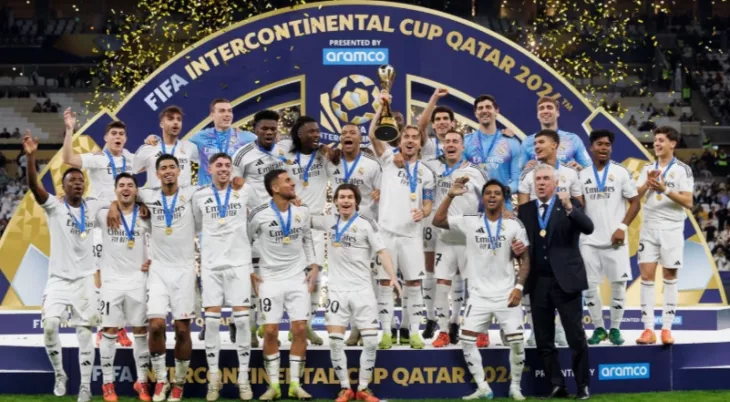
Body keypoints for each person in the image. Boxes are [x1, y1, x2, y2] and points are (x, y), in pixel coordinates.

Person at [107, 154, 201, 402]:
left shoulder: (192, 193)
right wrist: (114, 205)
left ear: (179, 171)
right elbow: (124, 194)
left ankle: (179, 384)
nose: (168, 171)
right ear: (157, 174)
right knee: (156, 325)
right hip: (158, 269)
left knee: (182, 330)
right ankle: (161, 380)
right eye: (163, 168)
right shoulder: (148, 195)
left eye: (172, 167)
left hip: (184, 269)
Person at [433, 178, 530, 401]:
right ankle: (483, 387)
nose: (492, 196)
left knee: (517, 342)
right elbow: (438, 220)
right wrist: (451, 195)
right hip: (478, 295)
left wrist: (518, 287)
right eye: (488, 193)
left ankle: (516, 387)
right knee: (467, 341)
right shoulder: (470, 221)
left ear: (503, 198)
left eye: (497, 193)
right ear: (482, 198)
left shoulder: (514, 224)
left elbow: (525, 259)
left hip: (507, 294)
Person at [24, 130, 101, 402]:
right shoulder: (55, 207)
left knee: (84, 332)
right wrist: (31, 158)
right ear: (63, 187)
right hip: (58, 279)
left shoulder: (94, 207)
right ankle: (60, 374)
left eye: (81, 180)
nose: (78, 183)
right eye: (72, 181)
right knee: (49, 326)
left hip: (85, 280)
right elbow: (35, 188)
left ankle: (85, 387)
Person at [312, 183, 399, 402]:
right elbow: (304, 218)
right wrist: (296, 204)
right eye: (341, 197)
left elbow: (382, 252)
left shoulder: (366, 223)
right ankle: (344, 388)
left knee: (370, 342)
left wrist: (393, 276)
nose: (346, 201)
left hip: (363, 290)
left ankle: (363, 388)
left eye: (350, 197)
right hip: (336, 291)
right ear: (335, 201)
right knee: (335, 341)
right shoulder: (328, 221)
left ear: (356, 201)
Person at [514, 163, 593, 400]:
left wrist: (569, 207)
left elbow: (588, 228)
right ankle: (557, 385)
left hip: (566, 281)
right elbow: (522, 241)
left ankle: (582, 385)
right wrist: (516, 248)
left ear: (556, 183)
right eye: (537, 179)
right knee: (544, 339)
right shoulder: (525, 210)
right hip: (539, 282)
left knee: (575, 336)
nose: (541, 183)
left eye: (546, 179)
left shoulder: (569, 204)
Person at [62, 108, 136, 347]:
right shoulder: (98, 159)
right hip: (98, 224)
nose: (118, 137)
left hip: (123, 225)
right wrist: (69, 130)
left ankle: (119, 327)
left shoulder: (131, 159)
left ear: (125, 138)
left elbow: (154, 163)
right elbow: (68, 159)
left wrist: (153, 141)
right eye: (113, 133)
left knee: (121, 276)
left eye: (121, 134)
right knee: (99, 277)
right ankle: (105, 327)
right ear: (106, 138)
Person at [247, 169, 318, 400]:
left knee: (300, 329)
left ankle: (295, 384)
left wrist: (313, 265)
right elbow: (245, 240)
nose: (293, 183)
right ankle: (274, 386)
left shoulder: (302, 210)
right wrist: (250, 270)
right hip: (270, 278)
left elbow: (307, 238)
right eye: (288, 181)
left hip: (297, 277)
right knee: (270, 331)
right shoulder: (258, 214)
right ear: (275, 188)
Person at [368, 118, 435, 350]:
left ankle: (413, 333)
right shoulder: (388, 158)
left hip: (411, 235)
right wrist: (380, 107)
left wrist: (423, 212)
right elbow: (372, 135)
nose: (410, 140)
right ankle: (386, 333)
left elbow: (428, 203)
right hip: (386, 233)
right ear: (400, 141)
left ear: (420, 143)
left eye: (415, 137)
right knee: (385, 283)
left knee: (414, 283)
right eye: (406, 136)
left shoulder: (426, 172)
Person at [193, 153, 254, 401]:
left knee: (242, 321)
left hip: (239, 263)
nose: (224, 169)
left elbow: (263, 208)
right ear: (209, 169)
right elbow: (197, 225)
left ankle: (243, 379)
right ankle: (213, 379)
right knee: (211, 323)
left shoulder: (244, 189)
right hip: (211, 264)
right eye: (219, 165)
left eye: (228, 165)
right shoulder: (199, 195)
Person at [518, 129, 583, 346]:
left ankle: (561, 329)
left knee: (563, 284)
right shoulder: (528, 175)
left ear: (555, 145)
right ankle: (536, 330)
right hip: (537, 239)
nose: (536, 147)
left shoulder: (571, 173)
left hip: (562, 239)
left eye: (541, 142)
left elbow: (580, 207)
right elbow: (523, 211)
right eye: (535, 143)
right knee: (535, 284)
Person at [424, 131, 487, 348]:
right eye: (447, 141)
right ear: (443, 146)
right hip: (445, 235)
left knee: (476, 285)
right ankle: (443, 331)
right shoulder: (434, 168)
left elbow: (489, 197)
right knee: (442, 283)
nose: (450, 144)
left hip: (470, 236)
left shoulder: (475, 172)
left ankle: (481, 331)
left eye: (455, 141)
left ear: (462, 147)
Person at [579, 130, 641, 346]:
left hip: (616, 240)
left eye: (607, 144)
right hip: (588, 240)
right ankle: (598, 328)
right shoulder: (582, 175)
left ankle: (615, 329)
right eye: (599, 144)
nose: (604, 148)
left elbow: (635, 202)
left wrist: (622, 227)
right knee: (589, 287)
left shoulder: (621, 172)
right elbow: (579, 206)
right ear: (591, 148)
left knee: (618, 286)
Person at [95, 173, 152, 402]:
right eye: (121, 185)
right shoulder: (103, 214)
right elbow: (83, 205)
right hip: (111, 283)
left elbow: (161, 241)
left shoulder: (146, 215)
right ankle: (108, 384)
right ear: (115, 189)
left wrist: (153, 260)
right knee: (109, 332)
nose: (126, 188)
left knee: (140, 333)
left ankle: (142, 382)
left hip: (139, 281)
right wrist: (111, 205)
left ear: (137, 190)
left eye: (130, 185)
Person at [232, 110, 286, 348]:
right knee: (253, 278)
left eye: (273, 128)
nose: (269, 132)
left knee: (274, 279)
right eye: (264, 128)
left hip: (280, 224)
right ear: (255, 130)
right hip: (252, 225)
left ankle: (268, 325)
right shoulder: (242, 154)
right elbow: (234, 186)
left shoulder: (284, 151)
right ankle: (250, 328)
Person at [635, 126, 694, 345]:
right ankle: (648, 329)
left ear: (672, 143)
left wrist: (664, 189)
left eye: (661, 140)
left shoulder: (682, 170)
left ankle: (667, 329)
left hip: (672, 228)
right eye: (655, 140)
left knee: (670, 276)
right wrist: (647, 184)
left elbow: (688, 202)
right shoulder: (647, 168)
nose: (656, 144)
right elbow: (634, 196)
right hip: (649, 227)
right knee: (646, 277)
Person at [327, 123, 382, 346]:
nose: (347, 136)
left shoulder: (372, 164)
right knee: (344, 280)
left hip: (366, 228)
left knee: (367, 279)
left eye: (352, 133)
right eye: (343, 133)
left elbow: (383, 193)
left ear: (361, 139)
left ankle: (363, 327)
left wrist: (380, 195)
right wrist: (323, 149)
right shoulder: (331, 161)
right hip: (339, 229)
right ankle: (351, 327)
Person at [283, 116, 333, 346]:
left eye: (317, 131)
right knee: (292, 277)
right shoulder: (286, 156)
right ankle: (293, 324)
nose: (316, 135)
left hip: (315, 222)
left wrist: (330, 152)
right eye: (311, 131)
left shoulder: (324, 156)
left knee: (315, 276)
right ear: (299, 134)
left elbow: (341, 168)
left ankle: (308, 325)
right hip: (291, 222)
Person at [416, 88, 457, 340]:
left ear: (453, 123)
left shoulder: (461, 144)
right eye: (437, 119)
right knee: (429, 268)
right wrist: (433, 100)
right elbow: (420, 127)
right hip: (430, 216)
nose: (441, 123)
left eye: (445, 119)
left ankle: (455, 321)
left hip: (456, 216)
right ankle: (431, 318)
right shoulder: (429, 145)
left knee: (456, 271)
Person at [463, 95, 522, 210]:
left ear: (496, 111)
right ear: (476, 113)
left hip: (502, 208)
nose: (484, 110)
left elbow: (518, 180)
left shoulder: (511, 142)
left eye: (488, 107)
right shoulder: (466, 142)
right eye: (480, 108)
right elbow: (459, 174)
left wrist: (504, 190)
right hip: (472, 208)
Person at [189, 98, 257, 186]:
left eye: (229, 111)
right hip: (207, 191)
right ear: (212, 115)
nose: (227, 114)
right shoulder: (199, 137)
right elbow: (179, 151)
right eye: (222, 111)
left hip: (235, 191)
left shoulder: (247, 137)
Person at [134, 106, 200, 188]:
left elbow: (201, 169)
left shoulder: (190, 147)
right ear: (162, 124)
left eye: (179, 119)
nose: (176, 122)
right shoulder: (149, 149)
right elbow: (134, 169)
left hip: (183, 195)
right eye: (170, 119)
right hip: (158, 195)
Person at [520, 97, 592, 170]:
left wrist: (580, 168)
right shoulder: (527, 142)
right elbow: (518, 171)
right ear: (537, 115)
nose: (545, 111)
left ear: (557, 113)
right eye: (541, 108)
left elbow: (589, 168)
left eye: (549, 107)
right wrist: (525, 168)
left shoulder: (573, 139)